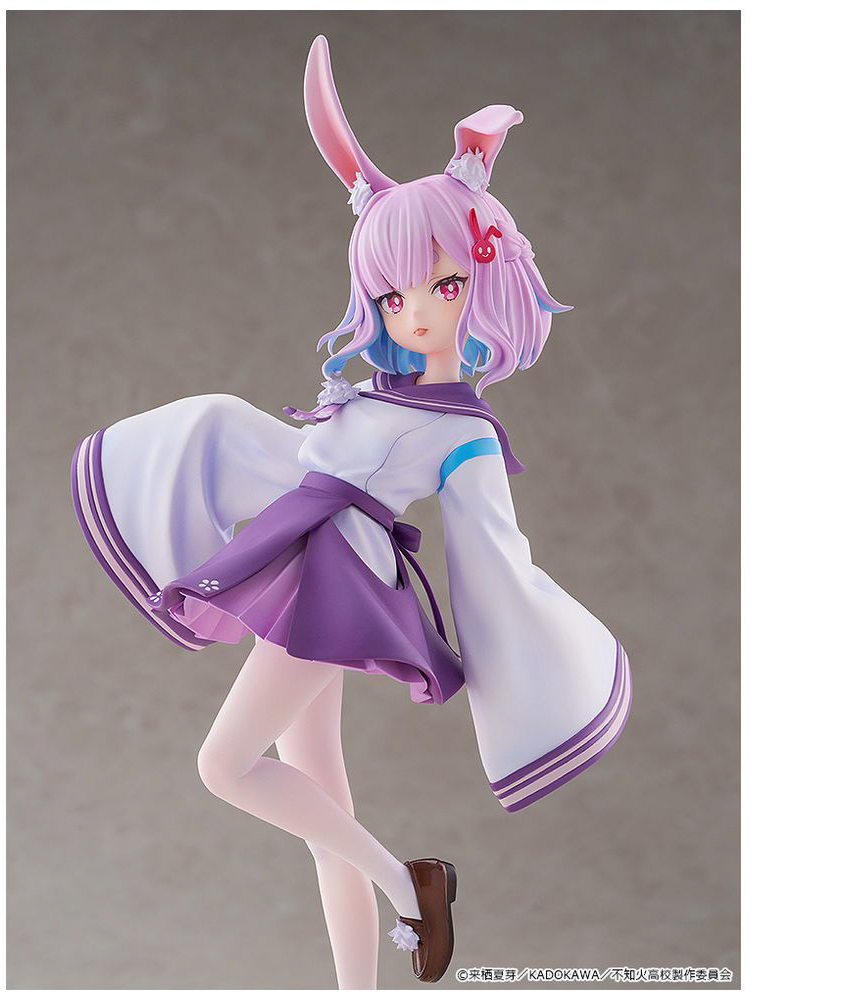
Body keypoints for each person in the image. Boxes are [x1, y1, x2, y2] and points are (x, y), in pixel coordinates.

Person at [71, 34, 631, 989]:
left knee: (224, 766)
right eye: (394, 292)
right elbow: (302, 469)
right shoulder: (375, 394)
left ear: (482, 282)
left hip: (334, 586)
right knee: (320, 807)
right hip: (300, 562)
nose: (417, 310)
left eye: (444, 285)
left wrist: (551, 653)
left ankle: (412, 887)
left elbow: (495, 552)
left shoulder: (466, 433)